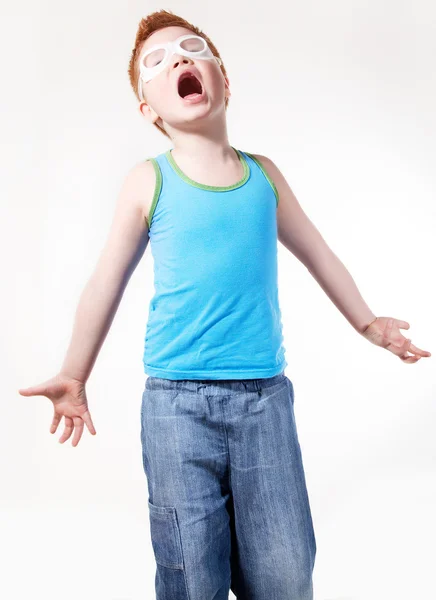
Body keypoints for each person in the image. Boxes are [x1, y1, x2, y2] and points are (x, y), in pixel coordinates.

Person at [18, 9, 431, 600]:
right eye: (157, 63)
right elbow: (105, 281)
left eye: (192, 49)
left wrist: (368, 323)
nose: (180, 60)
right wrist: (74, 374)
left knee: (286, 576)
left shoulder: (264, 176)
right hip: (176, 408)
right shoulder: (148, 179)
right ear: (149, 111)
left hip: (265, 402)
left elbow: (318, 252)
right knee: (193, 577)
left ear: (224, 79)